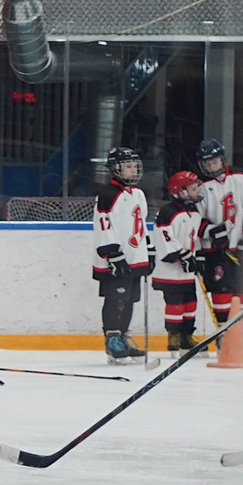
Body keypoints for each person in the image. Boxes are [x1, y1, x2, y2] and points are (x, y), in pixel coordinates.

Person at [191, 137, 243, 337]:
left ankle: (240, 335)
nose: (211, 166)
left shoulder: (242, 179)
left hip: (241, 250)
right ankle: (224, 335)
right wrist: (211, 231)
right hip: (216, 252)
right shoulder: (200, 187)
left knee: (241, 291)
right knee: (221, 292)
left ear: (222, 160)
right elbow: (195, 218)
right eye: (206, 163)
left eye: (214, 161)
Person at [91, 144, 151, 364]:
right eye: (127, 166)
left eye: (134, 166)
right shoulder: (107, 195)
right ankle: (112, 340)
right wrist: (112, 253)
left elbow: (141, 225)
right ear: (115, 169)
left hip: (135, 257)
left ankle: (123, 339)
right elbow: (104, 225)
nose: (133, 170)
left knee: (129, 300)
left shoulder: (138, 194)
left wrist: (149, 249)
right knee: (115, 298)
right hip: (115, 259)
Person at [152, 170, 207, 352]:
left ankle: (186, 335)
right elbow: (164, 237)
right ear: (181, 192)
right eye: (193, 188)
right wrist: (183, 254)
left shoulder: (195, 213)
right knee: (175, 304)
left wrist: (197, 258)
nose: (197, 191)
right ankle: (173, 335)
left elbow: (194, 239)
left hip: (187, 271)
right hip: (170, 272)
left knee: (191, 302)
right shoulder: (168, 211)